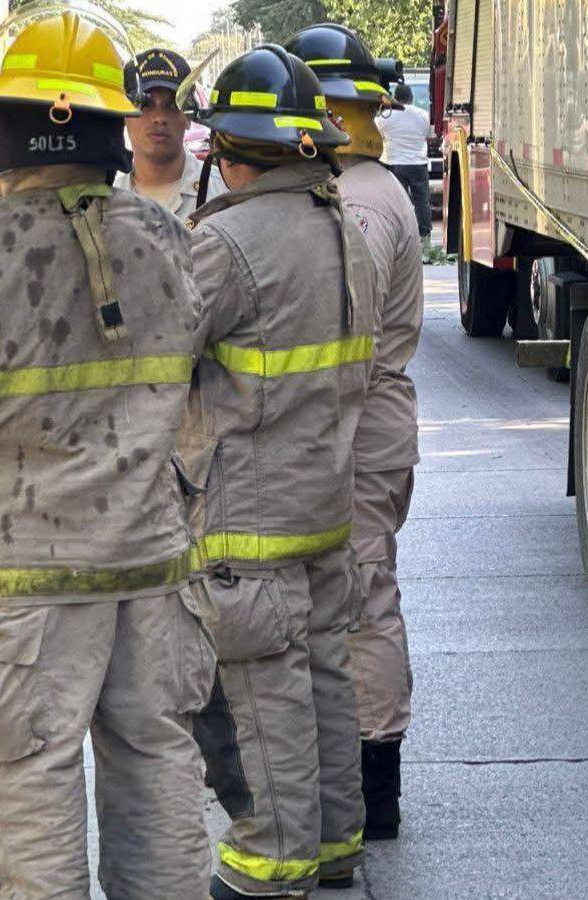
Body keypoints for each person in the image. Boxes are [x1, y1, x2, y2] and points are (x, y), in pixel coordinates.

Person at [0, 6, 216, 898]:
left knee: (31, 788)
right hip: (151, 567)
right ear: (113, 125)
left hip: (19, 585)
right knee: (159, 772)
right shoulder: (170, 240)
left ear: (10, 126)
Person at [184, 45, 378, 899]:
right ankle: (335, 844)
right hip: (323, 508)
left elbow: (159, 355)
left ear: (230, 150)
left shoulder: (226, 243)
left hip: (248, 520)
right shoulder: (344, 231)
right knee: (325, 674)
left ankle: (269, 863)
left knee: (266, 696)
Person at [287, 22, 424, 844]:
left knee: (364, 595)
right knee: (353, 592)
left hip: (357, 424)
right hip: (359, 422)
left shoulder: (360, 202)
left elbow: (346, 333)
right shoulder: (355, 188)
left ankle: (376, 781)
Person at [115, 47, 224, 218]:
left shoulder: (223, 194)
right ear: (124, 115)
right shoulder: (106, 204)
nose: (159, 117)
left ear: (188, 116)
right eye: (145, 104)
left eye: (172, 105)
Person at [376, 82, 433, 241]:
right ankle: (424, 236)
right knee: (422, 202)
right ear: (411, 97)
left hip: (395, 164)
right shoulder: (423, 115)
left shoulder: (385, 117)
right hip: (418, 164)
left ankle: (401, 236)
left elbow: (379, 135)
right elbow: (430, 135)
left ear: (395, 98)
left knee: (398, 202)